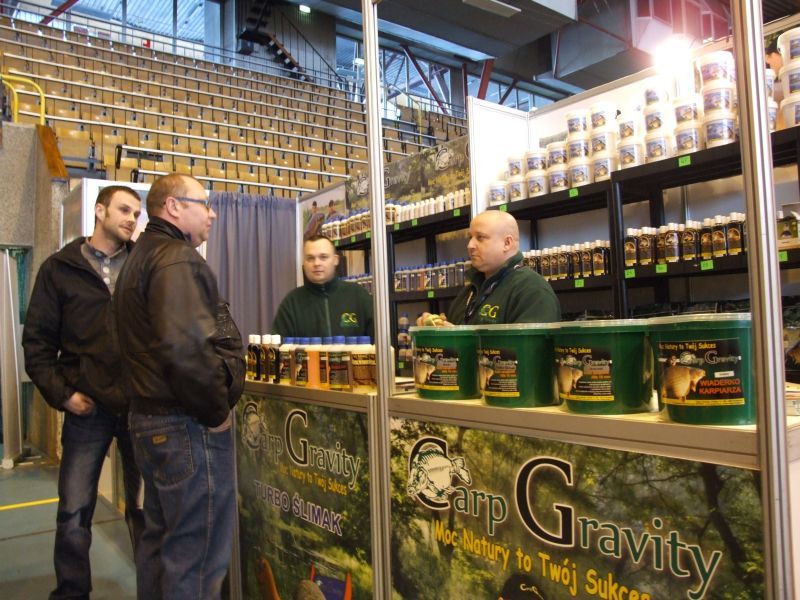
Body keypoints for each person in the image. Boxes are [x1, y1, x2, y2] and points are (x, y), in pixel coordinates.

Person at [113, 173, 245, 599]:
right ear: (173, 207)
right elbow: (186, 350)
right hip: (185, 424)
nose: (212, 213)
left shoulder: (141, 257)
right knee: (196, 560)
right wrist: (216, 412)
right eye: (203, 203)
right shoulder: (176, 259)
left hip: (150, 422)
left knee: (160, 543)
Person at [22, 185, 145, 600]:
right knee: (74, 513)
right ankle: (72, 593)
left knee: (146, 512)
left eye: (137, 213)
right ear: (99, 211)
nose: (132, 219)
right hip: (86, 411)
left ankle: (156, 590)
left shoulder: (143, 265)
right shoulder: (58, 269)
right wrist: (64, 396)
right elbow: (37, 345)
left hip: (139, 410)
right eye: (124, 210)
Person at [419, 210, 560, 326]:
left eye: (480, 237)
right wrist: (434, 327)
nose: (470, 245)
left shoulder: (532, 291)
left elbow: (527, 349)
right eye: (470, 237)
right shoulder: (469, 291)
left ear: (507, 243)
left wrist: (459, 339)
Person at [272, 234, 374, 338]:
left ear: (336, 260)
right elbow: (278, 344)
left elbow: (378, 340)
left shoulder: (358, 295)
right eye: (310, 258)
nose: (316, 263)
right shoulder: (292, 303)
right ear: (304, 263)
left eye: (323, 257)